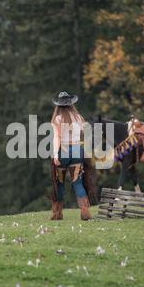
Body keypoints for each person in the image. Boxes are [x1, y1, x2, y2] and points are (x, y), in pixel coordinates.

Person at [50, 91, 94, 220]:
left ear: (58, 105)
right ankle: (85, 213)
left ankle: (57, 214)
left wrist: (55, 155)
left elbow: (56, 138)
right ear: (71, 104)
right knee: (77, 182)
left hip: (63, 150)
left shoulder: (57, 119)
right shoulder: (78, 117)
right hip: (77, 150)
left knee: (60, 183)